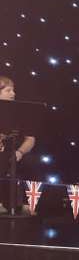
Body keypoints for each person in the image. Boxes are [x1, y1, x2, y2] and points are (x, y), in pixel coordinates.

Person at [0, 76, 36, 213]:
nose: (13, 94)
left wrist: (20, 152)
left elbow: (30, 139)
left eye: (13, 91)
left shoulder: (20, 113)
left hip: (13, 152)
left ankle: (23, 203)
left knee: (31, 162)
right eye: (8, 91)